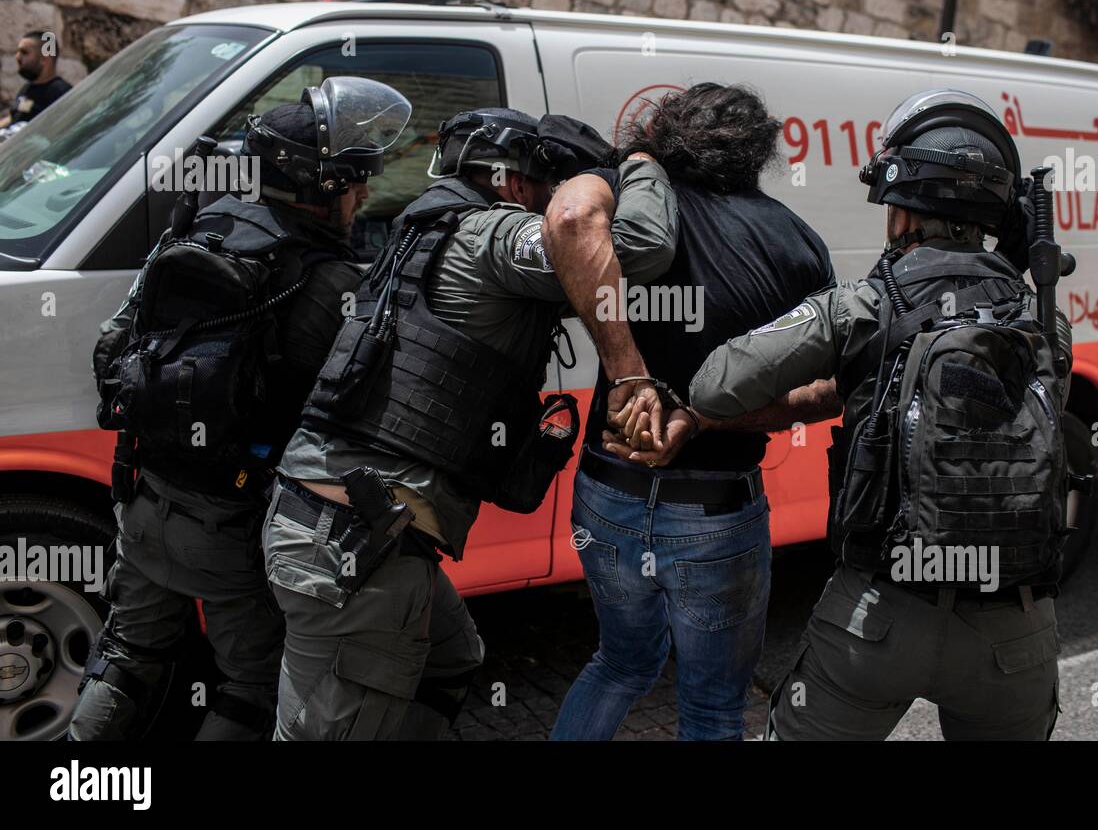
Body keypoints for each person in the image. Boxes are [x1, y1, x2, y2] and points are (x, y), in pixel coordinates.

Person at [265, 108, 678, 740]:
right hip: (355, 542)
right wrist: (633, 170)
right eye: (547, 187)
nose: (553, 201)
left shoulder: (420, 227)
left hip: (337, 520)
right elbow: (634, 246)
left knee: (450, 661)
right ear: (514, 184)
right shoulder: (490, 236)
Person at [680, 89, 1074, 740]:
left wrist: (853, 381)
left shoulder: (863, 305)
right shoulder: (1045, 318)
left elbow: (713, 388)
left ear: (903, 208)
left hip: (879, 617)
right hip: (1016, 632)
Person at [70, 76, 407, 739]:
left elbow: (113, 349)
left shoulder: (203, 224)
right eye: (353, 179)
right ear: (319, 185)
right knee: (251, 687)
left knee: (126, 658)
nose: (365, 193)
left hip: (147, 497)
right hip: (234, 528)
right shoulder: (328, 282)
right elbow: (363, 415)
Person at [542, 83, 837, 741]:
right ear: (758, 152)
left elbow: (566, 221)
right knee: (711, 709)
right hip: (716, 512)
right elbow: (831, 388)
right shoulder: (798, 245)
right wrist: (707, 420)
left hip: (606, 495)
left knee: (618, 664)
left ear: (667, 139)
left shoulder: (631, 220)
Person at [0, 30, 73, 130]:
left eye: (24, 52)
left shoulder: (61, 93)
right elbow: (14, 117)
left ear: (44, 59)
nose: (17, 57)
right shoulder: (27, 88)